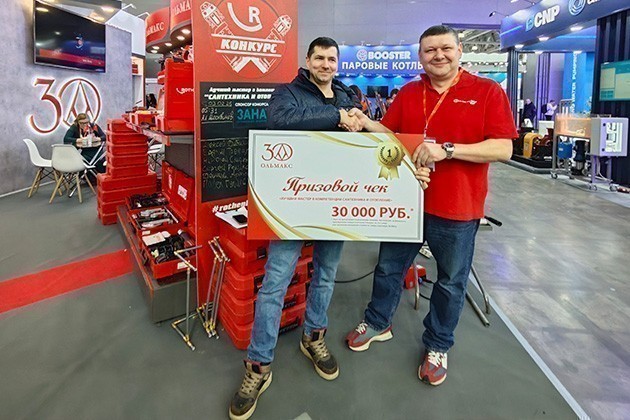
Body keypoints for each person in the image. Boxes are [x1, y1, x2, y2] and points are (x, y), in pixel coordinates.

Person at [345, 25, 517, 386]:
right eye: (430, 50)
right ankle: (378, 322)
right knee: (389, 268)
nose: (438, 55)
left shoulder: (487, 91)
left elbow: (503, 148)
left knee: (451, 281)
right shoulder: (410, 92)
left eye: (445, 48)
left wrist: (448, 150)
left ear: (459, 51)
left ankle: (438, 343)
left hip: (457, 208)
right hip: (407, 203)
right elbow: (391, 135)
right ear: (420, 57)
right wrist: (367, 123)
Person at [229, 36, 365, 420]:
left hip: (336, 202)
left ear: (337, 63)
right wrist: (338, 118)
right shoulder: (287, 93)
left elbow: (367, 138)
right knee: (276, 281)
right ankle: (259, 365)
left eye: (331, 59)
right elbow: (281, 121)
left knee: (326, 274)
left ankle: (313, 337)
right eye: (319, 58)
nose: (326, 64)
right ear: (307, 60)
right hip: (293, 203)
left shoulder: (348, 96)